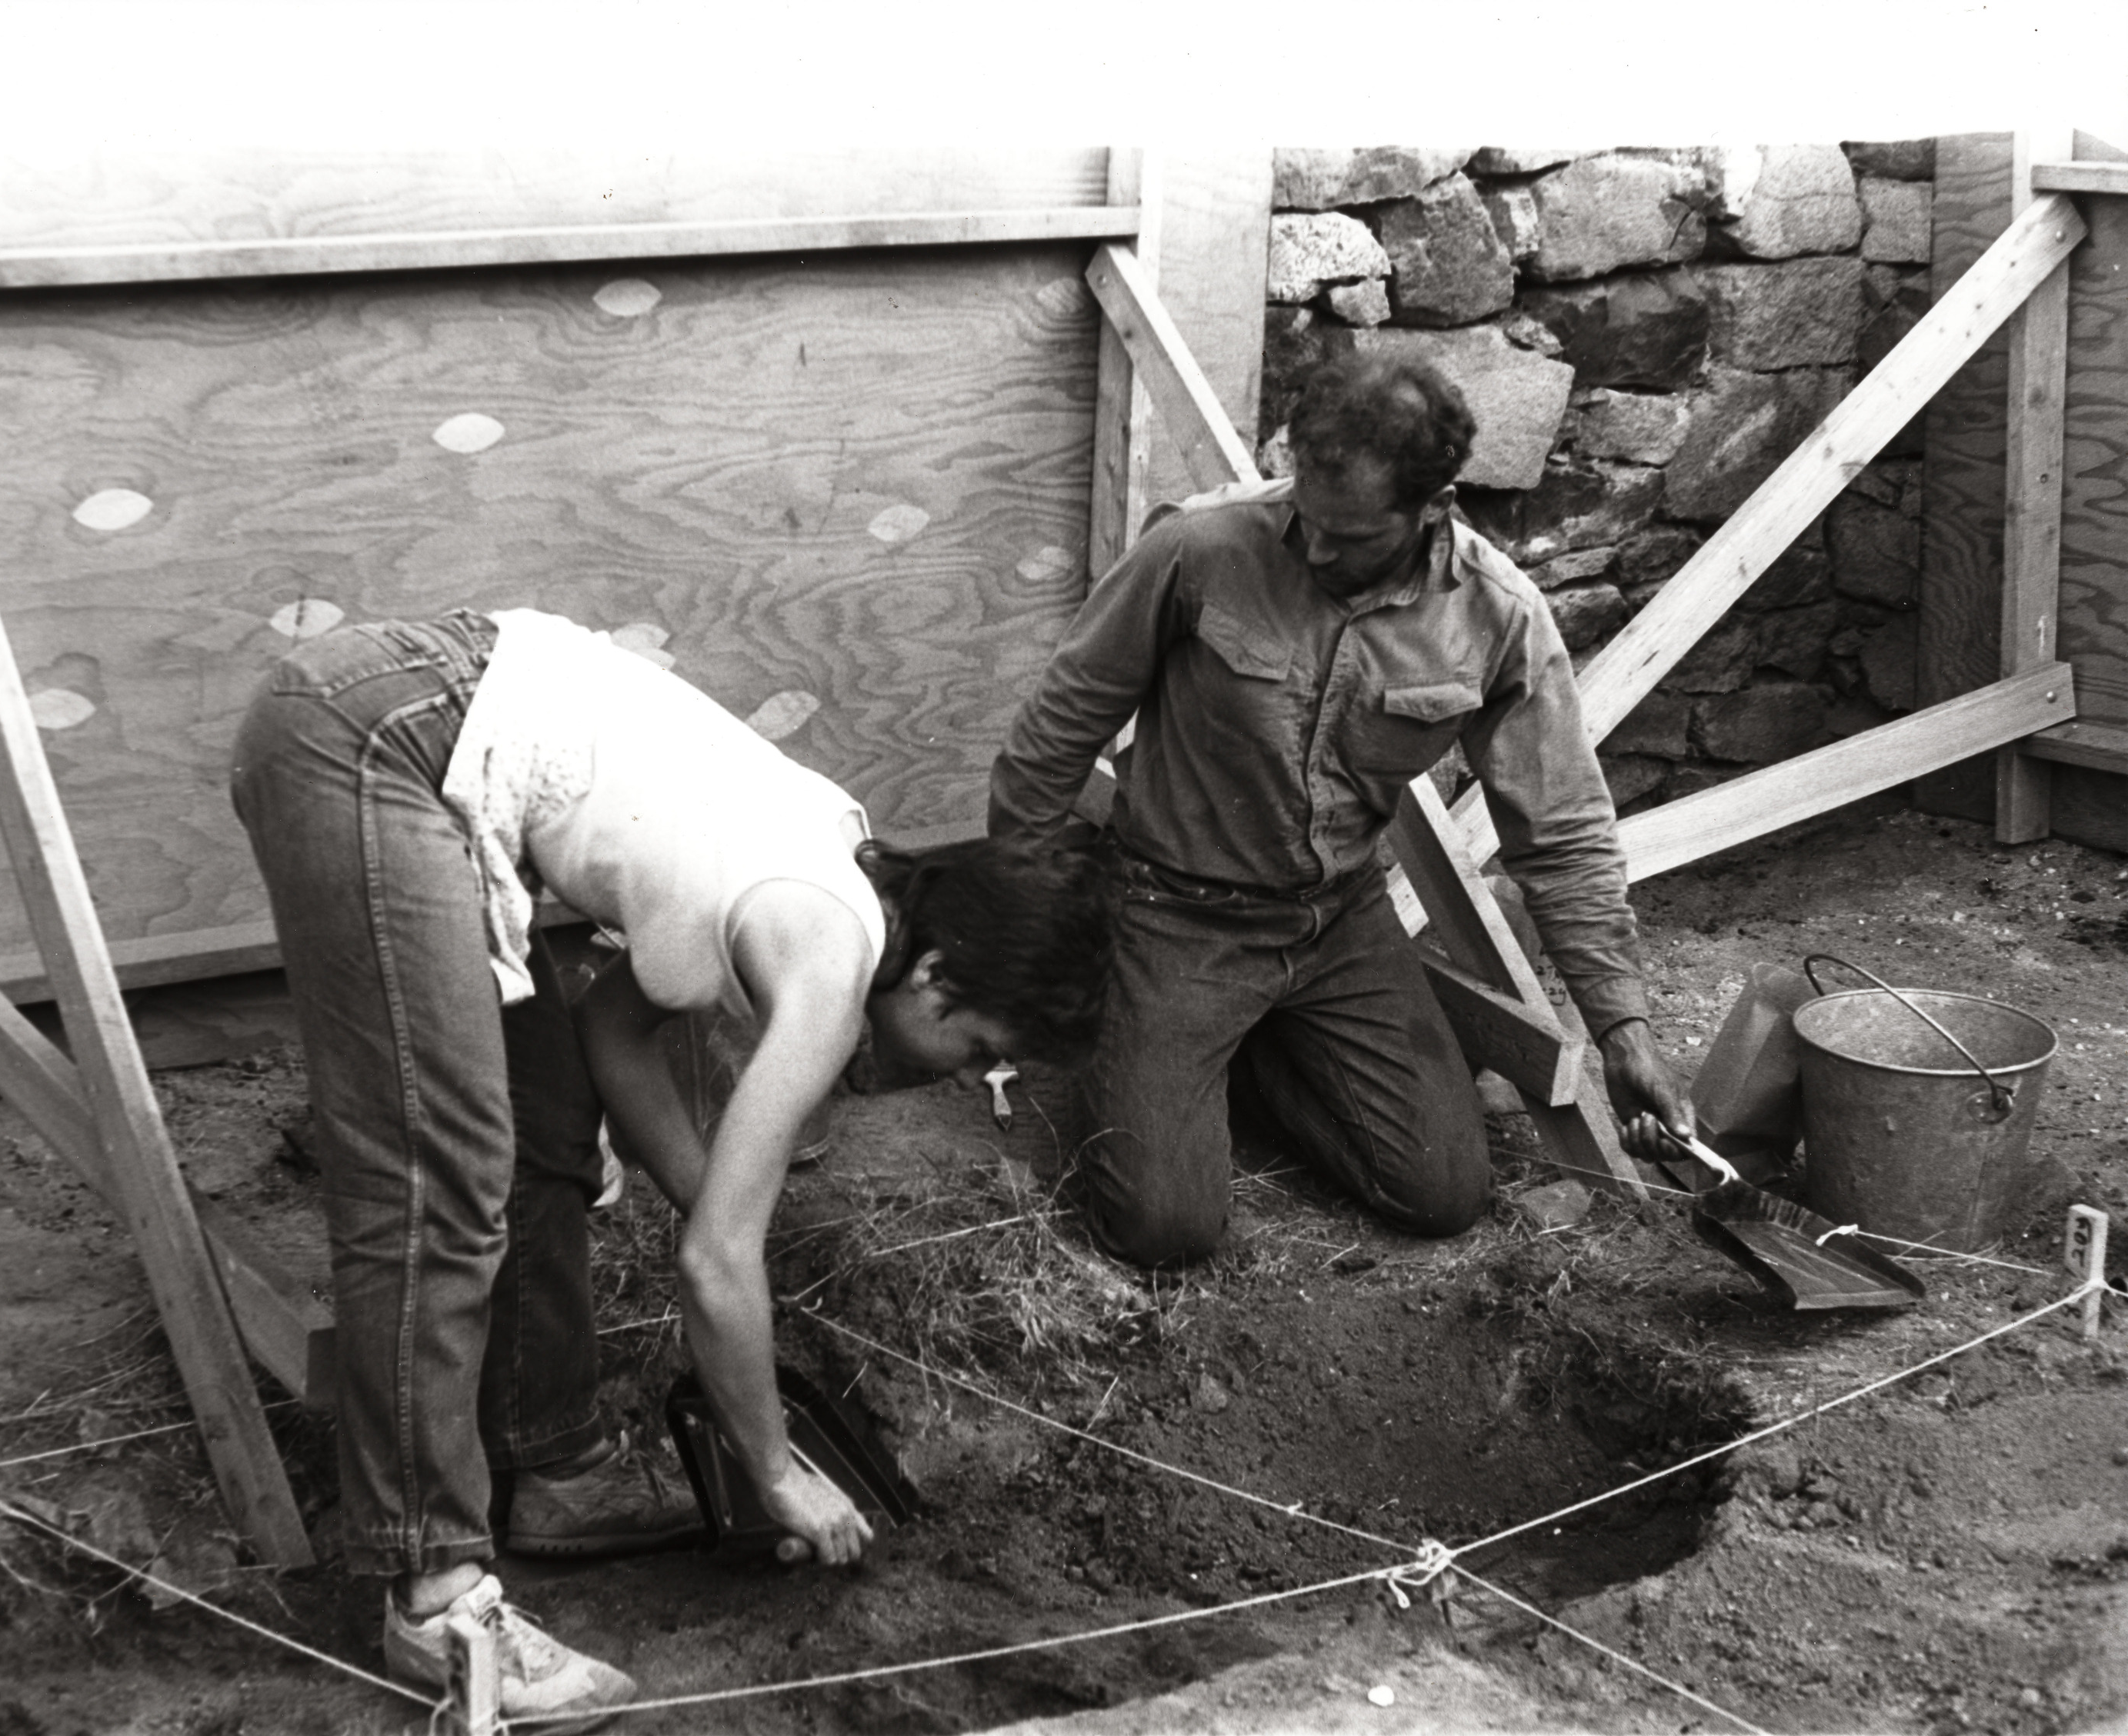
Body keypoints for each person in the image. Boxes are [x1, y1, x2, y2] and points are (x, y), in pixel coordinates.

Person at [231, 608, 1109, 1728]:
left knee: (541, 1124)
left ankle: (552, 1466)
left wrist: (710, 1199)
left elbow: (611, 1027)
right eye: (977, 1047)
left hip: (411, 721)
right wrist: (774, 1467)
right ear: (934, 974)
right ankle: (437, 1599)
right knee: (435, 1185)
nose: (955, 1074)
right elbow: (711, 1268)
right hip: (374, 733)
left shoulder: (832, 869)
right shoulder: (830, 966)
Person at [988, 353, 1690, 1268]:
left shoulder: (1495, 616)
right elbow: (1053, 734)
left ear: (1433, 507)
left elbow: (1560, 833)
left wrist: (1621, 1032)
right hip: (1171, 915)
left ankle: (1253, 1052)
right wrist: (1021, 928)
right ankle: (1153, 1043)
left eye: (1350, 537)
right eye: (1307, 521)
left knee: (1441, 1191)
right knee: (1163, 1228)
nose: (1315, 552)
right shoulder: (1197, 548)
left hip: (1336, 927)